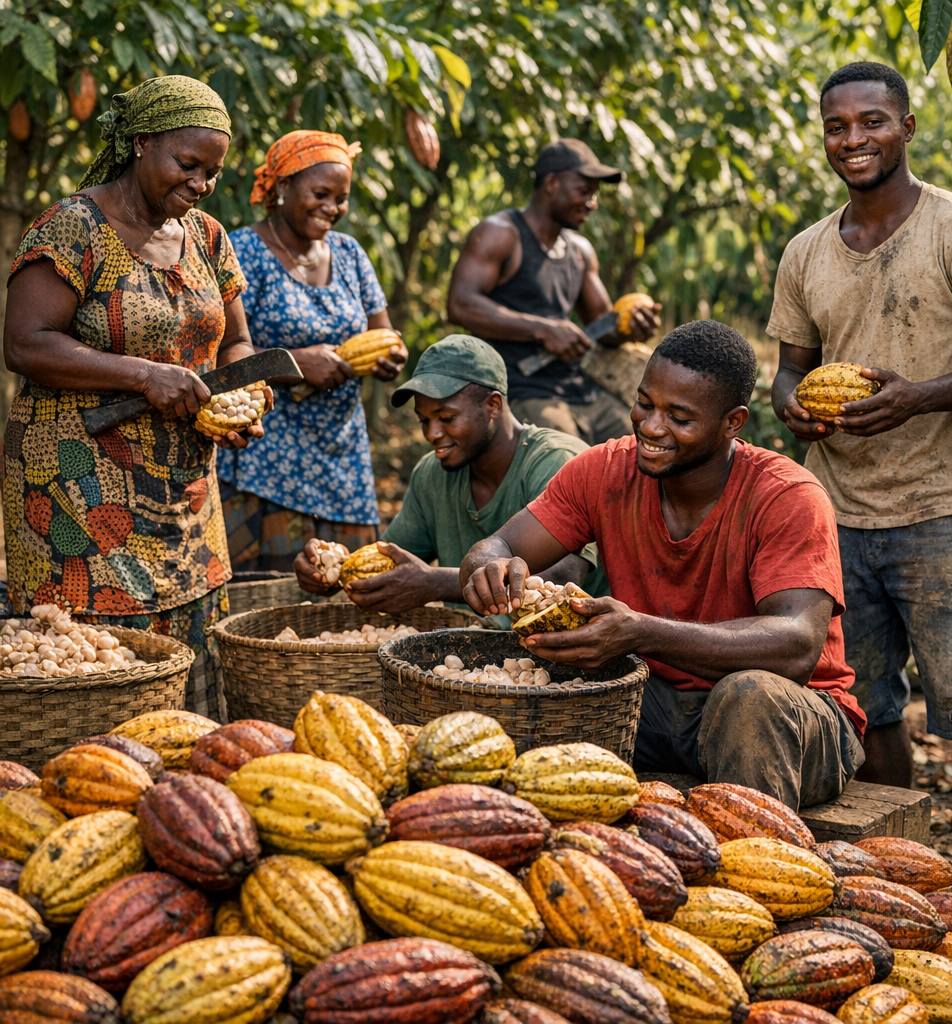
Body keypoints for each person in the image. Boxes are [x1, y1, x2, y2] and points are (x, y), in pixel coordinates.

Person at [768, 62, 952, 878]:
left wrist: (918, 398)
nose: (854, 140)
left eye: (872, 122)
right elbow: (788, 370)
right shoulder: (807, 251)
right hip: (837, 509)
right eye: (838, 126)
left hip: (944, 501)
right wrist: (789, 406)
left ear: (907, 128)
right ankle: (899, 871)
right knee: (867, 702)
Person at [460, 321, 866, 810]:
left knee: (749, 696)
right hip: (654, 701)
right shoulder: (605, 469)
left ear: (733, 422)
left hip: (792, 714)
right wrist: (488, 566)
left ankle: (753, 871)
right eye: (645, 403)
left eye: (679, 416)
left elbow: (797, 644)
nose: (651, 427)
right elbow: (499, 543)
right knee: (533, 672)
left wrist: (641, 633)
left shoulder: (786, 495)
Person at [2, 76, 266, 718]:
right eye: (187, 164)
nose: (200, 184)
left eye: (212, 172)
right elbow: (25, 342)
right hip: (78, 486)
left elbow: (236, 343)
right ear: (142, 143)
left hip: (184, 492)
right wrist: (142, 374)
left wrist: (245, 397)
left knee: (189, 661)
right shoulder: (73, 228)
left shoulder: (206, 237)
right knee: (96, 661)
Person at [294, 335, 601, 611]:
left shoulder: (557, 461)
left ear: (493, 405)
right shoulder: (432, 474)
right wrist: (333, 567)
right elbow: (390, 566)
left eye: (446, 417)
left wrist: (434, 583)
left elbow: (561, 578)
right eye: (423, 420)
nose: (432, 433)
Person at [218, 130, 407, 570]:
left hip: (342, 455)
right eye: (320, 193)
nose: (332, 208)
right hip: (267, 460)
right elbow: (219, 351)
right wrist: (296, 364)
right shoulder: (244, 250)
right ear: (283, 187)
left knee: (348, 584)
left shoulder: (349, 254)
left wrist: (390, 358)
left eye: (340, 198)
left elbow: (386, 334)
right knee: (268, 591)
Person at [447, 139, 660, 445]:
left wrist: (630, 327)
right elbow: (461, 304)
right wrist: (542, 330)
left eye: (595, 194)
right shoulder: (500, 233)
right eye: (584, 191)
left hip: (576, 388)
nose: (592, 202)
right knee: (568, 460)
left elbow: (602, 323)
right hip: (520, 388)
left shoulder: (580, 251)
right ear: (551, 183)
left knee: (644, 443)